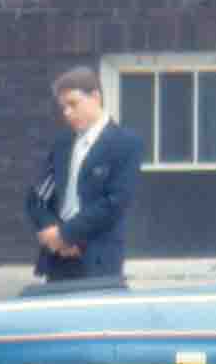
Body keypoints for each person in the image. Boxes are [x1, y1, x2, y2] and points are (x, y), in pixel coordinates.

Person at [25, 64, 142, 282]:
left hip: (98, 259)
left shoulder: (125, 144)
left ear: (95, 97)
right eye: (63, 107)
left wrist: (68, 234)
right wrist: (52, 230)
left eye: (73, 104)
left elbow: (115, 203)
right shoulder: (62, 144)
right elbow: (36, 197)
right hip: (58, 258)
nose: (67, 113)